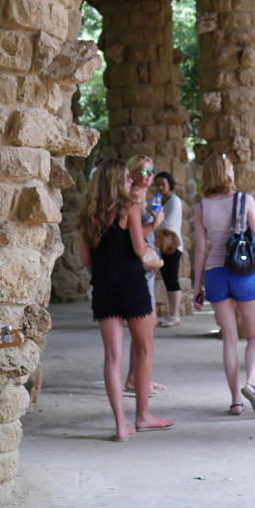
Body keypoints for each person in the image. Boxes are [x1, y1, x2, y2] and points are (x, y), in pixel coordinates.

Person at [78, 158, 172, 439]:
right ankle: (142, 416)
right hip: (132, 286)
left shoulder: (87, 215)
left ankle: (121, 424)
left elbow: (85, 260)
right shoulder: (129, 207)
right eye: (127, 177)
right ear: (117, 179)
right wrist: (154, 222)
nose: (131, 180)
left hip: (104, 289)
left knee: (112, 357)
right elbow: (139, 248)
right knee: (143, 349)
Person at [193, 152, 255, 416]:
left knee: (229, 339)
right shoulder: (244, 200)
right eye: (230, 168)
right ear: (226, 173)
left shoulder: (201, 207)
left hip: (215, 274)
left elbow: (200, 249)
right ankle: (251, 384)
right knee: (253, 335)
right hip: (243, 272)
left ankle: (235, 402)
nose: (233, 172)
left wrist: (196, 287)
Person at [124, 155, 167, 393]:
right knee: (144, 326)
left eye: (151, 171)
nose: (149, 176)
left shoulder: (142, 198)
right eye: (143, 171)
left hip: (146, 270)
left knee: (145, 327)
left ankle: (137, 377)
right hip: (139, 269)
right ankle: (138, 379)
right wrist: (157, 222)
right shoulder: (133, 198)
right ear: (132, 175)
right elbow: (136, 236)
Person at [154, 171, 184, 327]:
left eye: (162, 184)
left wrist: (153, 222)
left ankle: (175, 314)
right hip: (160, 246)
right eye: (157, 184)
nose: (160, 187)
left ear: (169, 185)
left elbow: (167, 224)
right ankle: (171, 314)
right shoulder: (158, 201)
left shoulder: (174, 201)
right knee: (166, 279)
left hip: (172, 247)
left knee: (172, 279)